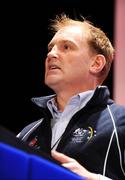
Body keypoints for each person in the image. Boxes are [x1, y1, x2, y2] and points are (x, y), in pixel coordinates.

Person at [17, 14, 125, 180]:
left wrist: (93, 179)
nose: (51, 54)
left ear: (96, 64)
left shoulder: (121, 121)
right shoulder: (26, 134)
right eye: (50, 48)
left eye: (66, 47)